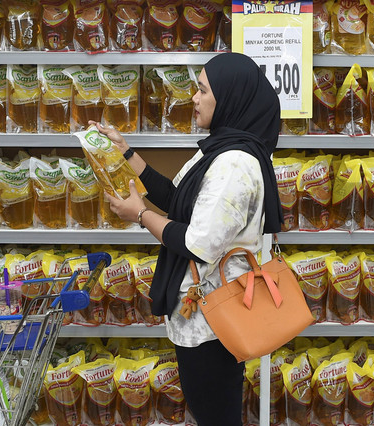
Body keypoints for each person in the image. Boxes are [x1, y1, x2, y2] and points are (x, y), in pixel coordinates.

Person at [97, 52, 283, 425]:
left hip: (214, 321)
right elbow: (176, 200)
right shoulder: (220, 149)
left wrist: (140, 215)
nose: (193, 99)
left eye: (202, 90)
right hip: (203, 316)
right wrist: (126, 153)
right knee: (209, 411)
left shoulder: (234, 164)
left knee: (216, 415)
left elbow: (199, 243)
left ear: (229, 98)